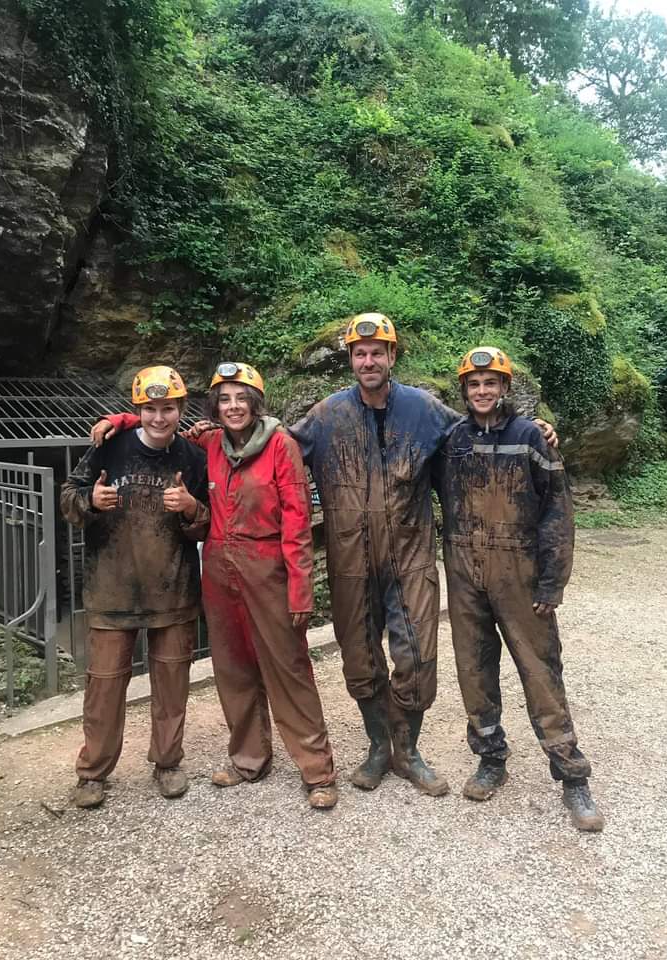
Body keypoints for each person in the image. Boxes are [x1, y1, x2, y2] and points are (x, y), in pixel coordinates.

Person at [91, 363, 338, 810]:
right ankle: (249, 759)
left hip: (268, 565)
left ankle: (317, 769)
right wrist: (122, 420)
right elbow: (158, 425)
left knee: (288, 668)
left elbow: (298, 523)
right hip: (220, 564)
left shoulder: (281, 445)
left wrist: (301, 589)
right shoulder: (208, 443)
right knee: (232, 668)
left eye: (241, 397)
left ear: (256, 402)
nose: (233, 406)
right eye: (224, 399)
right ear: (214, 407)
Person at [290, 313, 462, 797]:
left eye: (377, 352)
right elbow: (272, 448)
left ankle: (408, 751)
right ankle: (377, 746)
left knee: (418, 656)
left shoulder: (424, 410)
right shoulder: (326, 416)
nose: (368, 360)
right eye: (359, 354)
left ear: (392, 356)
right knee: (360, 660)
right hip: (349, 561)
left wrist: (528, 427)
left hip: (410, 556)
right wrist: (202, 439)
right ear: (350, 360)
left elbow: (474, 434)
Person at [434, 346, 604, 832]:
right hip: (465, 571)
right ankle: (491, 756)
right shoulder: (452, 440)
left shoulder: (531, 436)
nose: (482, 391)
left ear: (505, 388)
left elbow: (558, 512)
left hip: (521, 574)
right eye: (474, 384)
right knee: (474, 670)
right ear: (464, 392)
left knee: (541, 671)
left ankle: (572, 774)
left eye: (491, 383)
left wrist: (553, 580)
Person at [61, 365, 210, 808]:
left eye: (168, 408)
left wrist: (190, 508)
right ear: (137, 410)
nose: (159, 418)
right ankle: (93, 772)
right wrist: (90, 501)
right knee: (104, 686)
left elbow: (208, 525)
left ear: (181, 410)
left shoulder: (192, 458)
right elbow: (68, 495)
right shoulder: (109, 447)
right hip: (112, 591)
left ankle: (167, 763)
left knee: (171, 683)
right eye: (150, 409)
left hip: (173, 590)